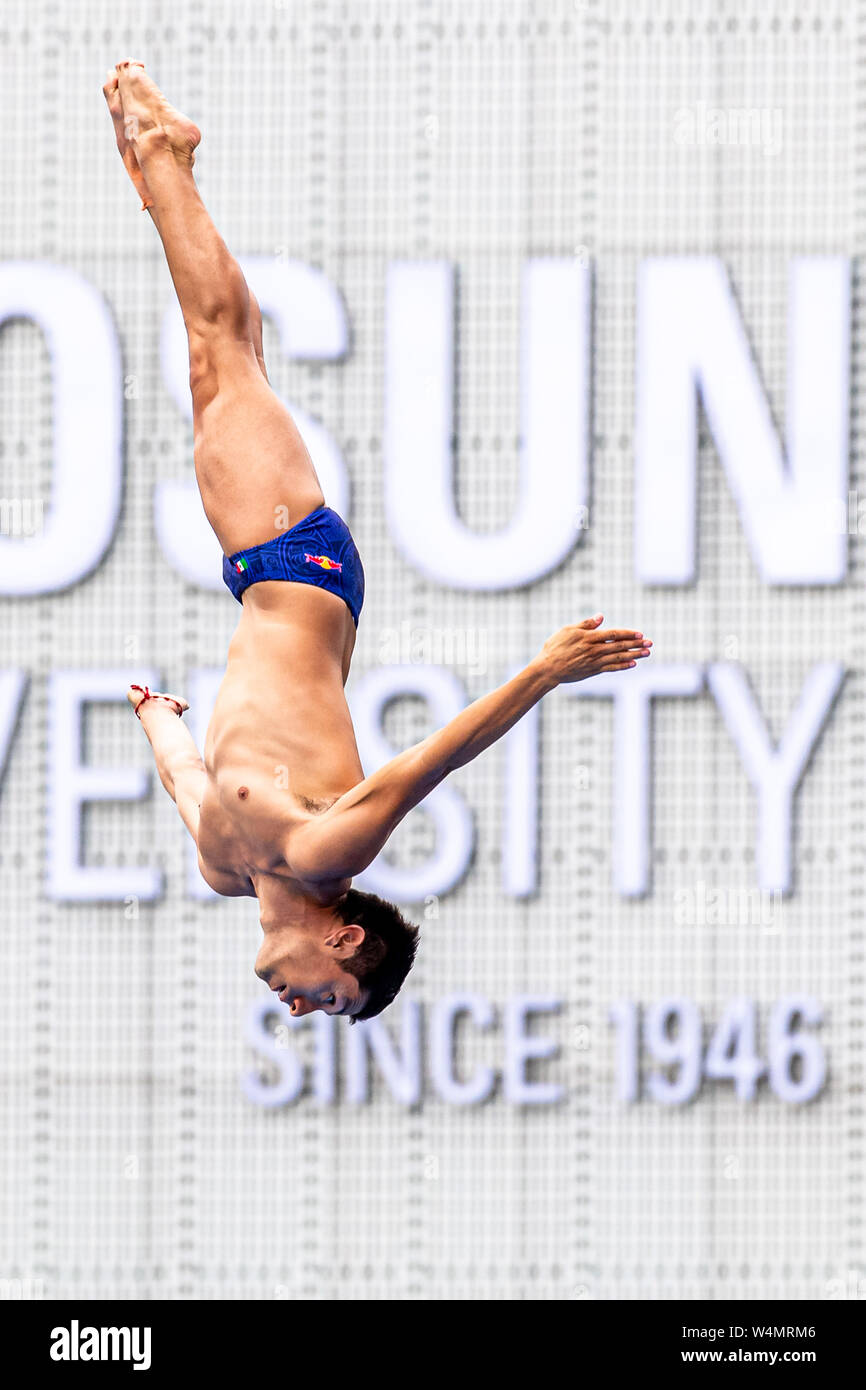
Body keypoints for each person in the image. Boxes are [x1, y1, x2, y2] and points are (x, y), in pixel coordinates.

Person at [104, 60, 652, 1022]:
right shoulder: (325, 854)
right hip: (297, 569)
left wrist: (155, 712)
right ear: (344, 936)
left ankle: (164, 182)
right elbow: (432, 760)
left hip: (265, 579)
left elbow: (187, 773)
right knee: (221, 352)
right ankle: (167, 161)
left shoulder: (228, 869)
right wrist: (546, 670)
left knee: (216, 362)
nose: (302, 1009)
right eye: (332, 998)